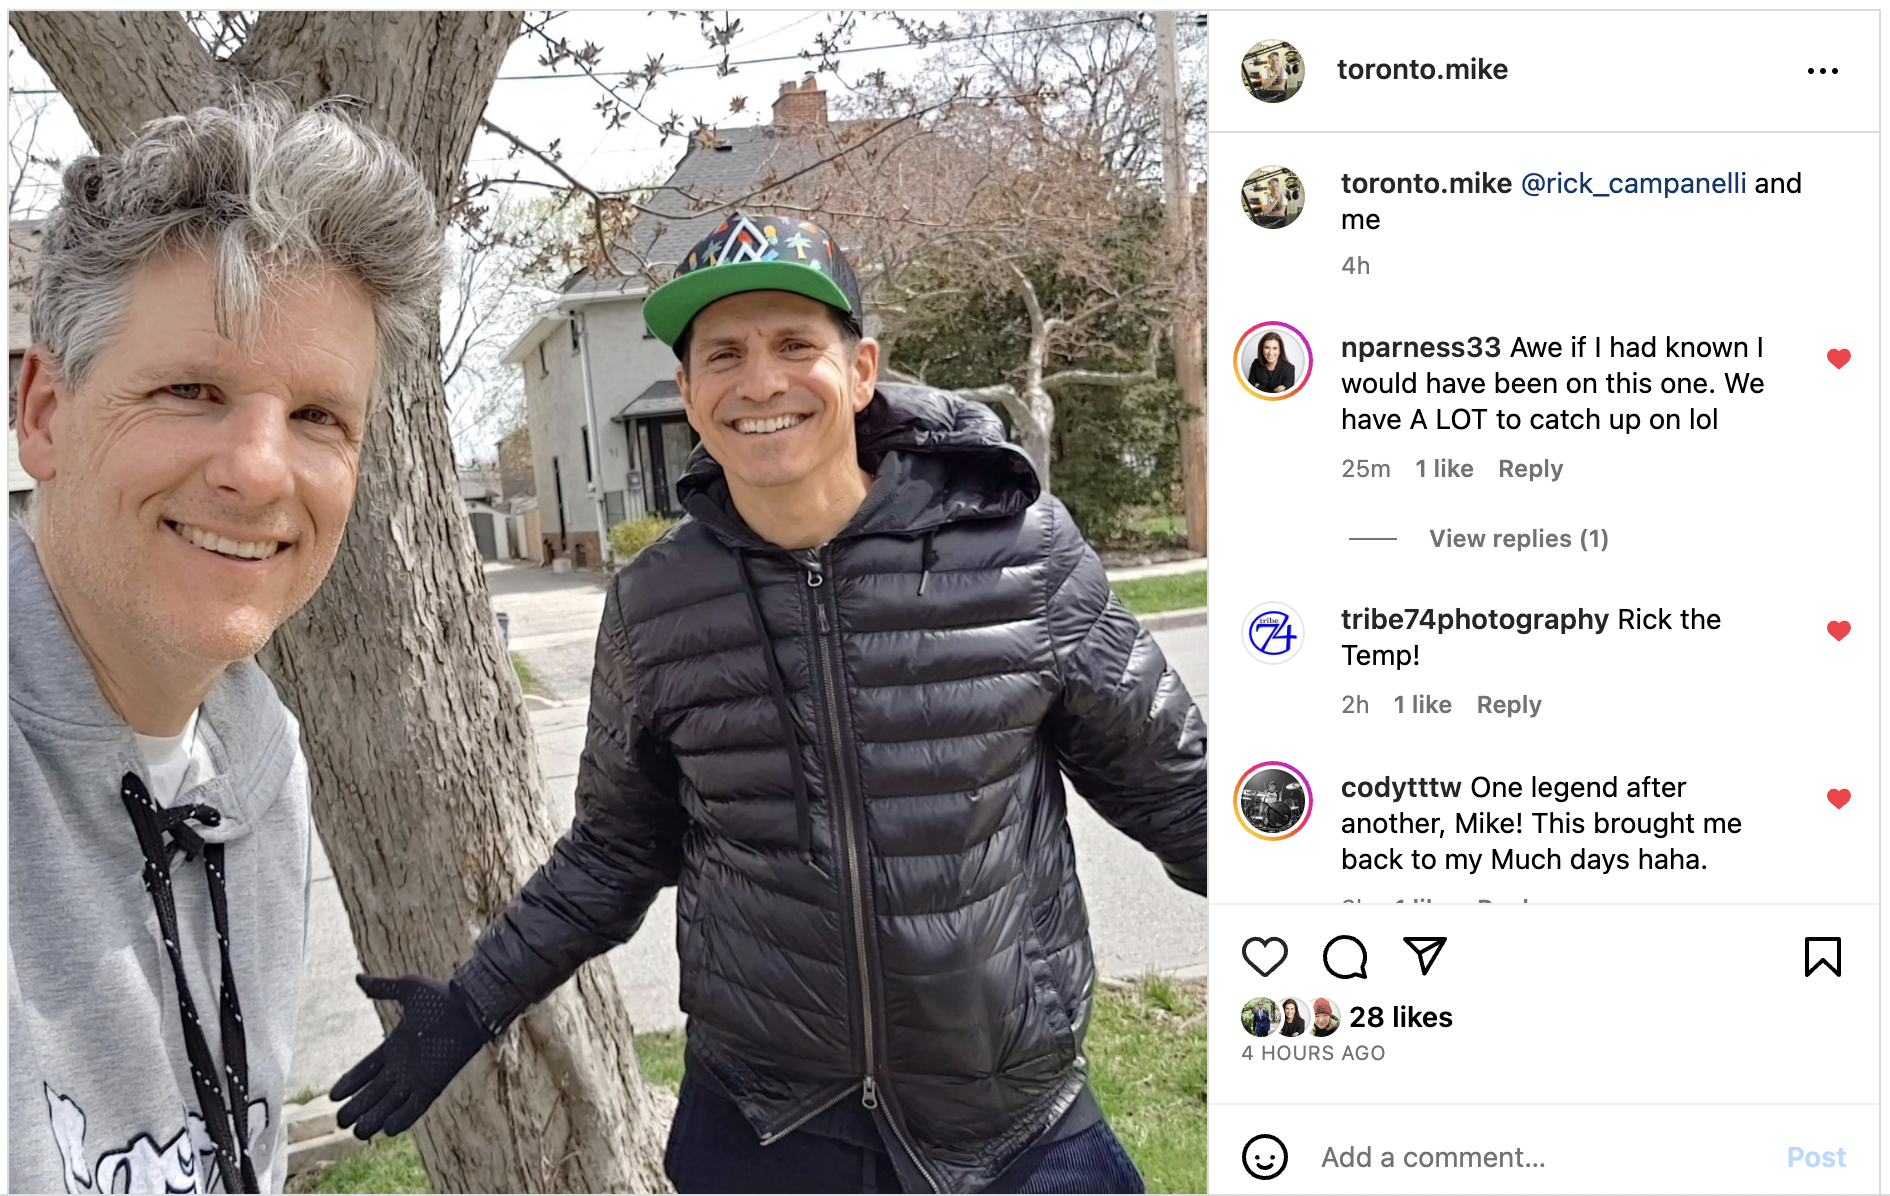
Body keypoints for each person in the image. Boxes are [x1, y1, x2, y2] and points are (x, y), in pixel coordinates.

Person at [330, 212, 1208, 1194]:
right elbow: (616, 848)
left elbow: (1178, 788)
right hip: (766, 1128)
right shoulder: (657, 602)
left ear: (861, 370)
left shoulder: (1018, 552)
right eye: (724, 355)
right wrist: (471, 1004)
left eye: (795, 344)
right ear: (690, 394)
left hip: (1012, 1126)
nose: (760, 382)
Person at [8, 96, 441, 1195]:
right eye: (191, 390)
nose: (259, 469)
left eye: (318, 416)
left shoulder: (258, 757)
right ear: (45, 412)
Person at [1247, 330, 1297, 395]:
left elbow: (1284, 395)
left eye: (1275, 348)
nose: (1270, 352)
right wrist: (1274, 392)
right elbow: (1250, 390)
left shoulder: (1289, 369)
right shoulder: (1256, 363)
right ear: (1262, 349)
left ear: (1280, 350)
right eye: (1267, 347)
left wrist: (1258, 387)